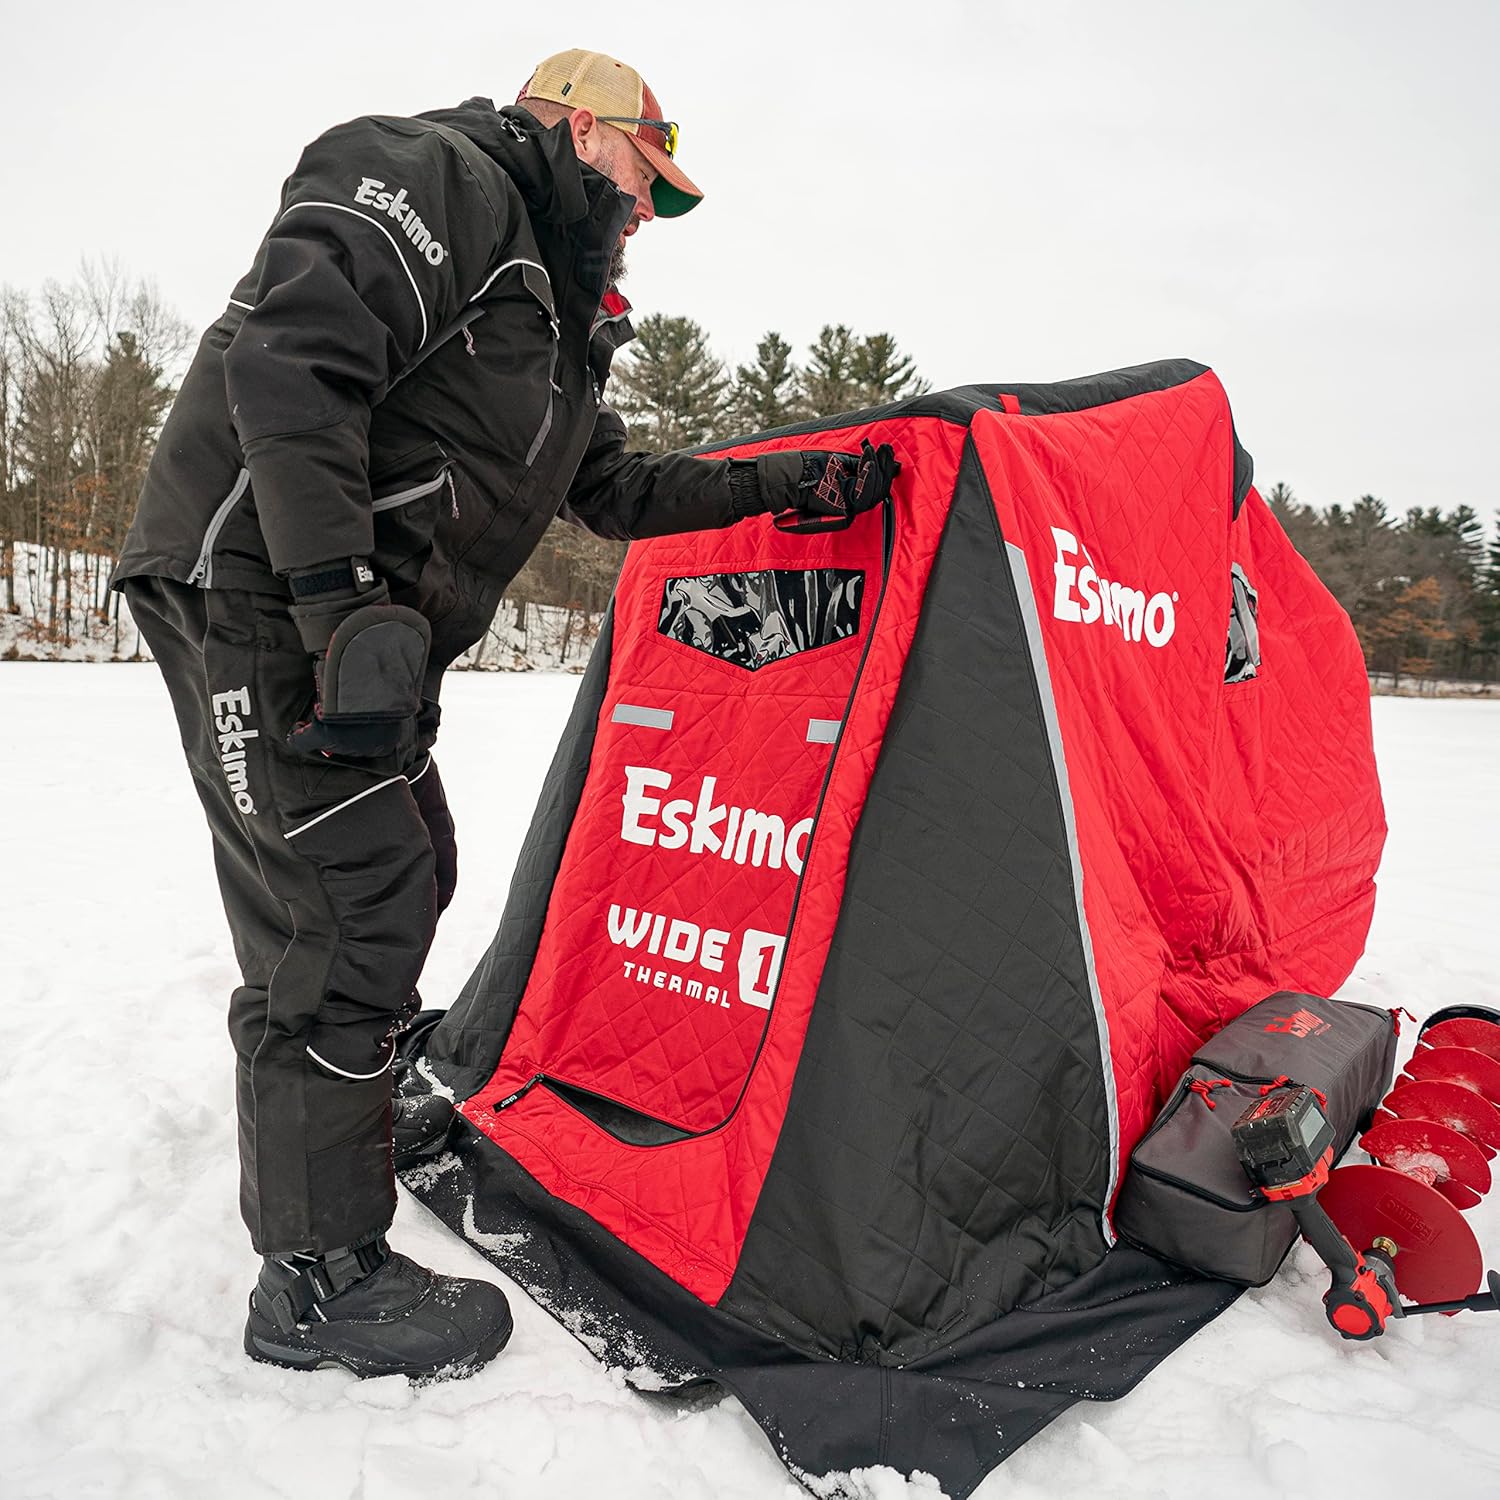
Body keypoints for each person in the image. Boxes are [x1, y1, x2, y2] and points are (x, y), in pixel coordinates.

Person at [111, 47, 898, 1382]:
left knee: (409, 871)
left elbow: (618, 492)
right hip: (258, 589)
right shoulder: (434, 178)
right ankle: (314, 1280)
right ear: (581, 129)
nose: (648, 211)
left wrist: (785, 490)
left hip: (361, 629)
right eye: (647, 177)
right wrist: (336, 603)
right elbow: (290, 365)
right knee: (344, 903)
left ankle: (351, 1106)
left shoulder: (553, 325)